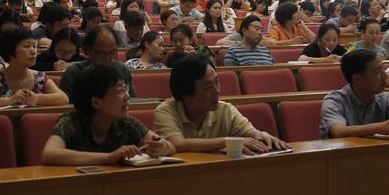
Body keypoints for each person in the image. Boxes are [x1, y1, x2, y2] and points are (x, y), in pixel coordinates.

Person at [42, 63, 172, 165]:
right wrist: (108, 157)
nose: (127, 96)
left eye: (125, 88)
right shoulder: (71, 122)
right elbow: (49, 154)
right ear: (96, 102)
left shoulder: (126, 122)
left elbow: (169, 146)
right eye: (119, 90)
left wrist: (161, 147)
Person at [154, 55, 287, 153]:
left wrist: (262, 135)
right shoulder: (165, 111)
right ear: (185, 93)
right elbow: (177, 144)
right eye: (208, 87)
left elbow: (250, 132)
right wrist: (227, 142)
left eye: (217, 82)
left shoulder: (225, 109)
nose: (217, 91)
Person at [319, 50, 389, 139]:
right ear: (357, 78)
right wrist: (378, 128)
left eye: (383, 69)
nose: (385, 76)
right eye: (378, 72)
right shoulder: (334, 101)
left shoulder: (384, 98)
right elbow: (339, 132)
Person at [0, 28, 68, 107]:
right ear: (10, 51)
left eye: (34, 46)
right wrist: (10, 100)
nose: (33, 51)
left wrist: (37, 98)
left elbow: (63, 98)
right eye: (27, 46)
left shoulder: (40, 77)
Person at [60, 26, 135, 102]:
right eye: (101, 53)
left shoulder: (122, 69)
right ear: (88, 50)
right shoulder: (73, 73)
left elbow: (130, 101)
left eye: (112, 52)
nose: (107, 58)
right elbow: (68, 105)